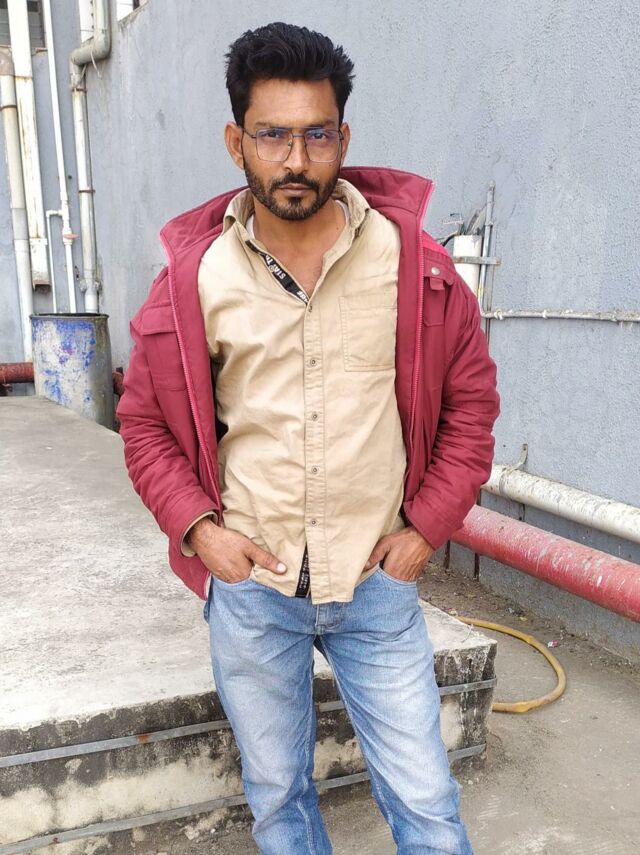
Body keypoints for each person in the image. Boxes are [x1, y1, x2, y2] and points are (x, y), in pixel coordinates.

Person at [117, 21, 499, 855]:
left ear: (343, 140)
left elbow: (471, 409)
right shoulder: (194, 280)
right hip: (253, 590)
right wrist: (199, 529)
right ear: (237, 142)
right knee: (280, 802)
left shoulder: (415, 268)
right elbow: (143, 422)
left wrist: (425, 529)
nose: (296, 160)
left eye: (317, 135)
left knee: (429, 804)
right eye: (273, 136)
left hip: (377, 585)